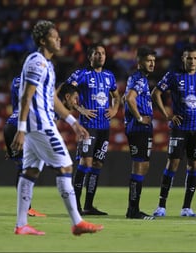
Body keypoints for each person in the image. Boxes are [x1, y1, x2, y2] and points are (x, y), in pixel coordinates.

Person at [10, 20, 103, 235]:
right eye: (54, 36)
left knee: (31, 171)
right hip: (41, 124)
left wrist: (73, 122)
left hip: (36, 125)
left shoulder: (47, 64)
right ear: (43, 40)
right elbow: (26, 96)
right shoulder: (37, 63)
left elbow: (52, 98)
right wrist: (21, 128)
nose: (59, 39)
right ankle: (77, 222)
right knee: (65, 167)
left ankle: (21, 225)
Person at [151, 44, 196, 217]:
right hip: (179, 128)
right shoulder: (173, 75)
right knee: (172, 164)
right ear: (183, 59)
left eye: (195, 58)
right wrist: (167, 115)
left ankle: (187, 207)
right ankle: (161, 206)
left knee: (194, 167)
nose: (192, 61)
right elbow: (155, 93)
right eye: (189, 58)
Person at [63, 42, 121, 216]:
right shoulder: (81, 74)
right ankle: (75, 205)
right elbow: (66, 93)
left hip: (104, 128)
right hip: (88, 127)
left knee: (97, 164)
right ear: (90, 57)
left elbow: (116, 96)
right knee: (85, 163)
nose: (100, 56)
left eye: (102, 53)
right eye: (96, 53)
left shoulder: (109, 76)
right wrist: (81, 109)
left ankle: (88, 205)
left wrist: (115, 109)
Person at [3, 77, 46, 217]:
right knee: (26, 169)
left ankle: (27, 208)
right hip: (22, 126)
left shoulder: (15, 81)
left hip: (9, 126)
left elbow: (15, 105)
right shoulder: (37, 81)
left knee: (21, 168)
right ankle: (27, 209)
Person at [124, 46, 157, 220]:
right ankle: (133, 210)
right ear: (139, 62)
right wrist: (138, 118)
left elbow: (126, 97)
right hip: (138, 128)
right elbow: (129, 98)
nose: (152, 64)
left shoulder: (140, 79)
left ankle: (133, 208)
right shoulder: (138, 79)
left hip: (143, 128)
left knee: (143, 165)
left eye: (153, 61)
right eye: (148, 60)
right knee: (139, 165)